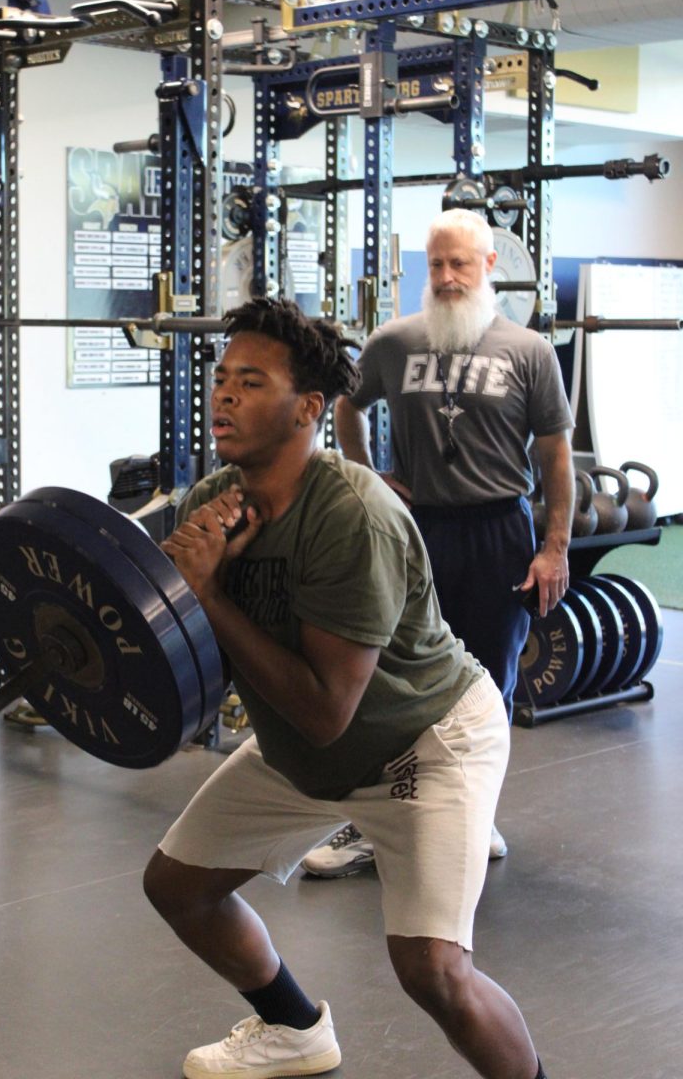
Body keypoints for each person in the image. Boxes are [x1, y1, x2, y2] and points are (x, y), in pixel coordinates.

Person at [144, 296, 549, 1079]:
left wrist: (212, 596)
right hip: (309, 751)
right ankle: (296, 1029)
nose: (223, 394)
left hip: (423, 745)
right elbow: (172, 652)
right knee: (178, 886)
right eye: (222, 378)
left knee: (432, 970)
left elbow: (329, 711)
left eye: (251, 382)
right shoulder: (210, 505)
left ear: (308, 410)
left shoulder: (352, 516)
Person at [302, 208, 574, 878]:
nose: (447, 277)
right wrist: (369, 476)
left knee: (489, 682)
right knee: (384, 677)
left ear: (489, 268)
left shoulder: (528, 350)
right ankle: (370, 823)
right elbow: (347, 406)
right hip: (414, 531)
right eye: (436, 264)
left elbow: (556, 459)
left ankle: (471, 817)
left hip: (498, 531)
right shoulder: (394, 341)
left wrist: (555, 546)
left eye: (460, 264)